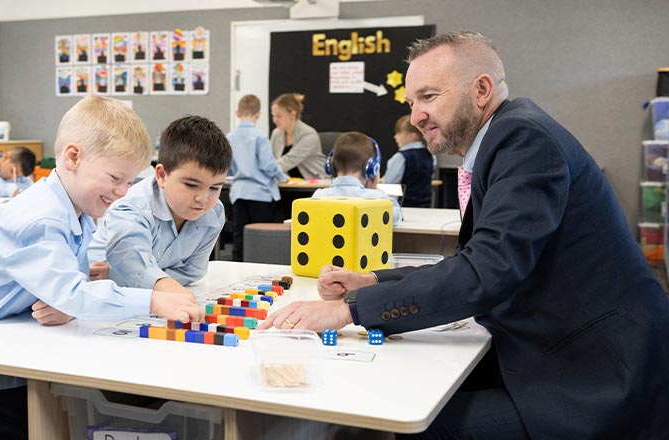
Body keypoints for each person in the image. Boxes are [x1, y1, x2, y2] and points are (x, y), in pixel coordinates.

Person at [259, 31, 669, 438]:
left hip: (593, 377)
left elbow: (486, 272)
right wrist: (371, 282)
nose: (416, 114)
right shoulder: (507, 136)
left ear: (482, 90)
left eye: (429, 96)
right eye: (411, 102)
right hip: (555, 350)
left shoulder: (523, 140)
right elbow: (475, 259)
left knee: (416, 425)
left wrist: (349, 310)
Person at [0, 96, 203, 440]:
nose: (121, 193)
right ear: (73, 157)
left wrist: (68, 299)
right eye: (115, 178)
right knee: (48, 428)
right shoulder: (42, 216)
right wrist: (150, 300)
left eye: (129, 183)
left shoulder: (78, 209)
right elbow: (74, 294)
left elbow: (68, 291)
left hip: (16, 345)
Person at [88, 115, 230, 296]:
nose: (202, 198)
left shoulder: (214, 213)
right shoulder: (133, 206)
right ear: (162, 176)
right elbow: (133, 268)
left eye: (215, 187)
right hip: (97, 292)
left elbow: (193, 272)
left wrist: (117, 275)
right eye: (191, 185)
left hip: (143, 293)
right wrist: (140, 275)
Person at [227, 94, 289, 261]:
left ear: (237, 113)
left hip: (239, 193)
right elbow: (268, 165)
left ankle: (237, 268)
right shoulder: (260, 136)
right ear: (259, 114)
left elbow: (229, 167)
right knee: (261, 238)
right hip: (260, 194)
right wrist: (282, 177)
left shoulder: (230, 137)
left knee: (240, 236)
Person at [315, 131, 402, 225]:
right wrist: (376, 189)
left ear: (331, 166)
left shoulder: (318, 196)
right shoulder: (377, 199)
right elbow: (396, 217)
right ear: (372, 169)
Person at [270, 93, 326, 179]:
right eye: (273, 116)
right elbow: (270, 159)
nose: (274, 120)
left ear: (292, 115)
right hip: (288, 185)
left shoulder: (309, 135)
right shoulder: (276, 134)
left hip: (313, 184)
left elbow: (289, 160)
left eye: (279, 116)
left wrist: (262, 171)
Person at [382, 115, 434, 207]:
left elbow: (389, 183)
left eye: (398, 133)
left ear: (411, 136)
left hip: (404, 207)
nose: (395, 137)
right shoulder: (430, 155)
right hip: (426, 207)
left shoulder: (401, 157)